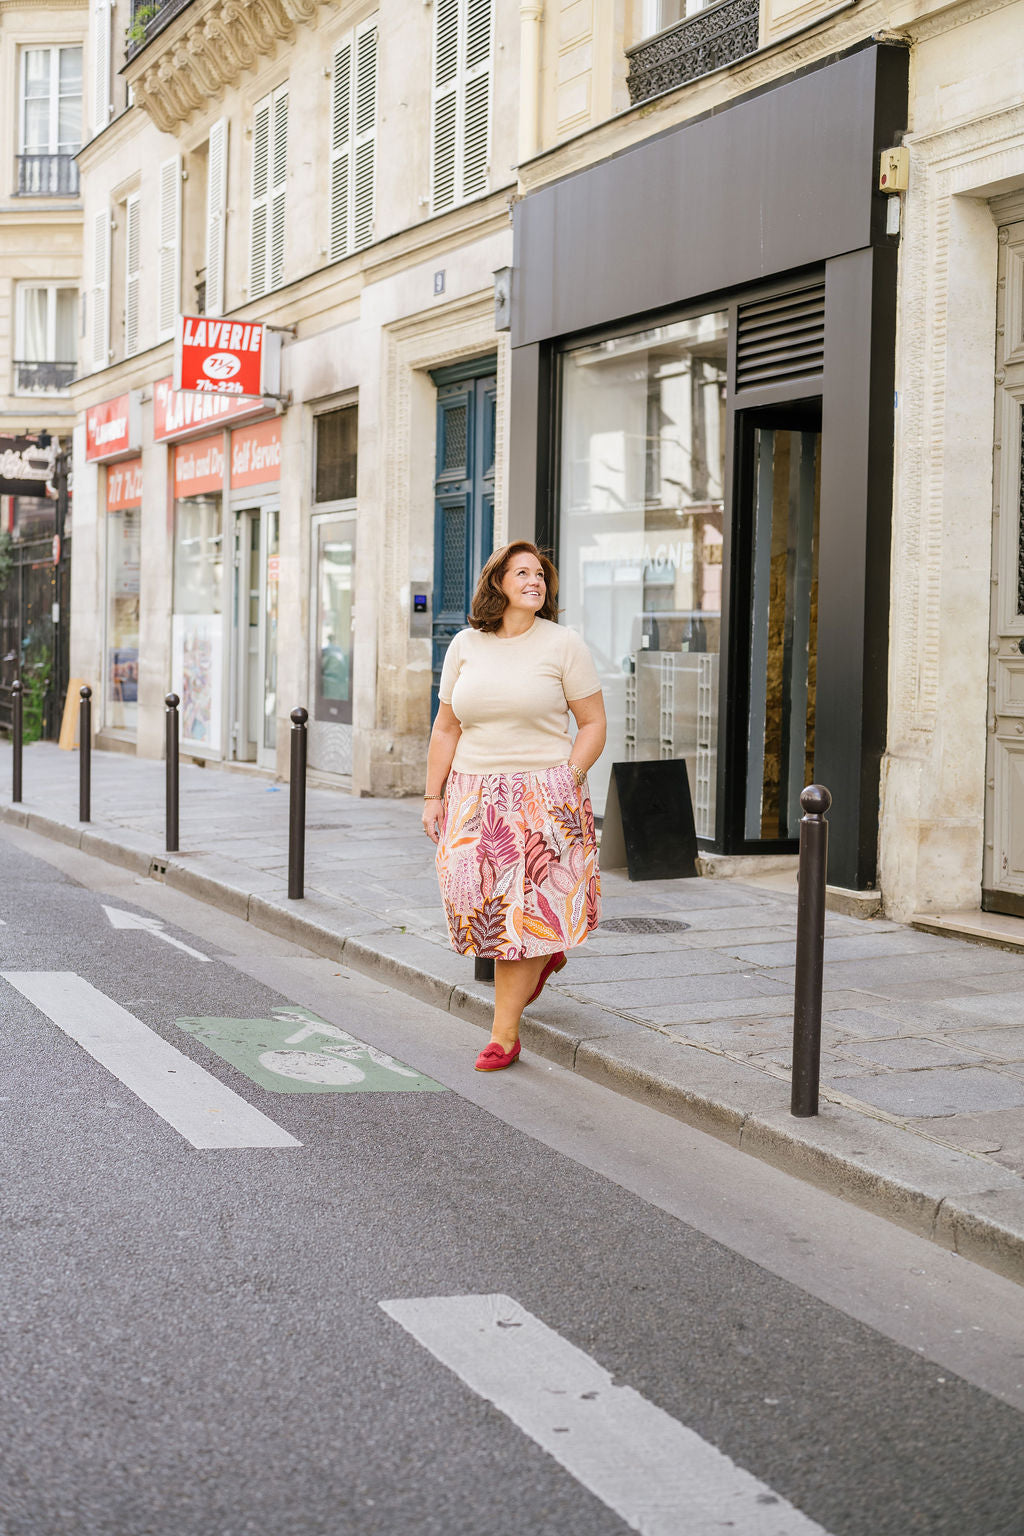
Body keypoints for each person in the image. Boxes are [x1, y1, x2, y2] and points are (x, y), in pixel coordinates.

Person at [422, 541, 606, 1072]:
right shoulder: (465, 644)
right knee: (478, 904)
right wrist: (433, 795)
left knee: (516, 920)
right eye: (521, 572)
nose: (534, 580)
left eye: (540, 574)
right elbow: (446, 728)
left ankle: (505, 1034)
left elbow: (593, 724)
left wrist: (567, 780)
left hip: (544, 795)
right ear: (496, 583)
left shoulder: (564, 644)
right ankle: (546, 953)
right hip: (474, 794)